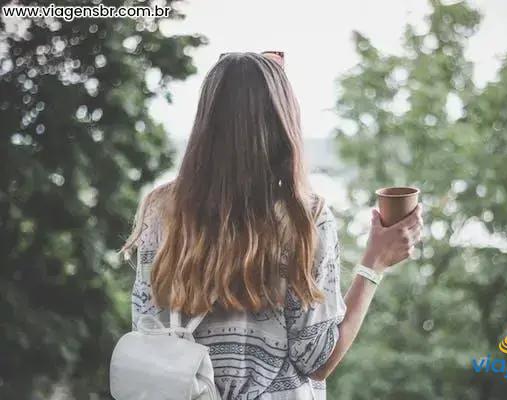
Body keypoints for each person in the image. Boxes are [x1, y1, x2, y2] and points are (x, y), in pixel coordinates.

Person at [121, 52, 423, 400]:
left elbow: (147, 330)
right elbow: (317, 359)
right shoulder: (302, 218)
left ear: (206, 119)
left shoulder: (162, 210)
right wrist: (375, 263)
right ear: (282, 123)